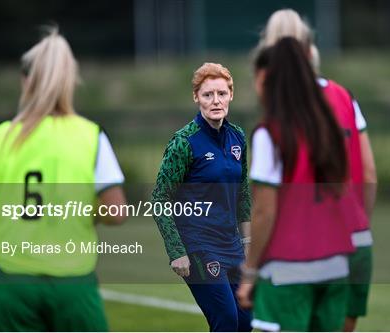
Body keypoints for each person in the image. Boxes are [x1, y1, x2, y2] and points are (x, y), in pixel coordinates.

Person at [0, 27, 126, 331]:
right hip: (73, 283)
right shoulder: (90, 136)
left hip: (12, 283)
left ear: (26, 81)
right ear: (70, 81)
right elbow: (117, 212)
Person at [255, 8, 377, 331]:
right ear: (311, 51)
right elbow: (368, 175)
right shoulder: (344, 97)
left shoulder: (282, 112)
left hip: (298, 252)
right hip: (354, 241)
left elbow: (268, 205)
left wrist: (251, 267)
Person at [236, 37, 355, 332]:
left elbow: (264, 211)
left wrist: (249, 272)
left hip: (288, 268)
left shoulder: (270, 132)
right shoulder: (329, 124)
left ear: (266, 78)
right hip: (336, 262)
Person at [151, 62, 252, 332]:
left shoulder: (237, 138)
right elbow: (159, 199)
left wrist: (248, 241)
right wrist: (176, 251)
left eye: (221, 93)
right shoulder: (184, 143)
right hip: (198, 246)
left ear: (231, 94)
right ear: (196, 97)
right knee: (227, 320)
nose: (215, 101)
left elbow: (242, 193)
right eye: (208, 95)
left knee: (246, 321)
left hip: (232, 245)